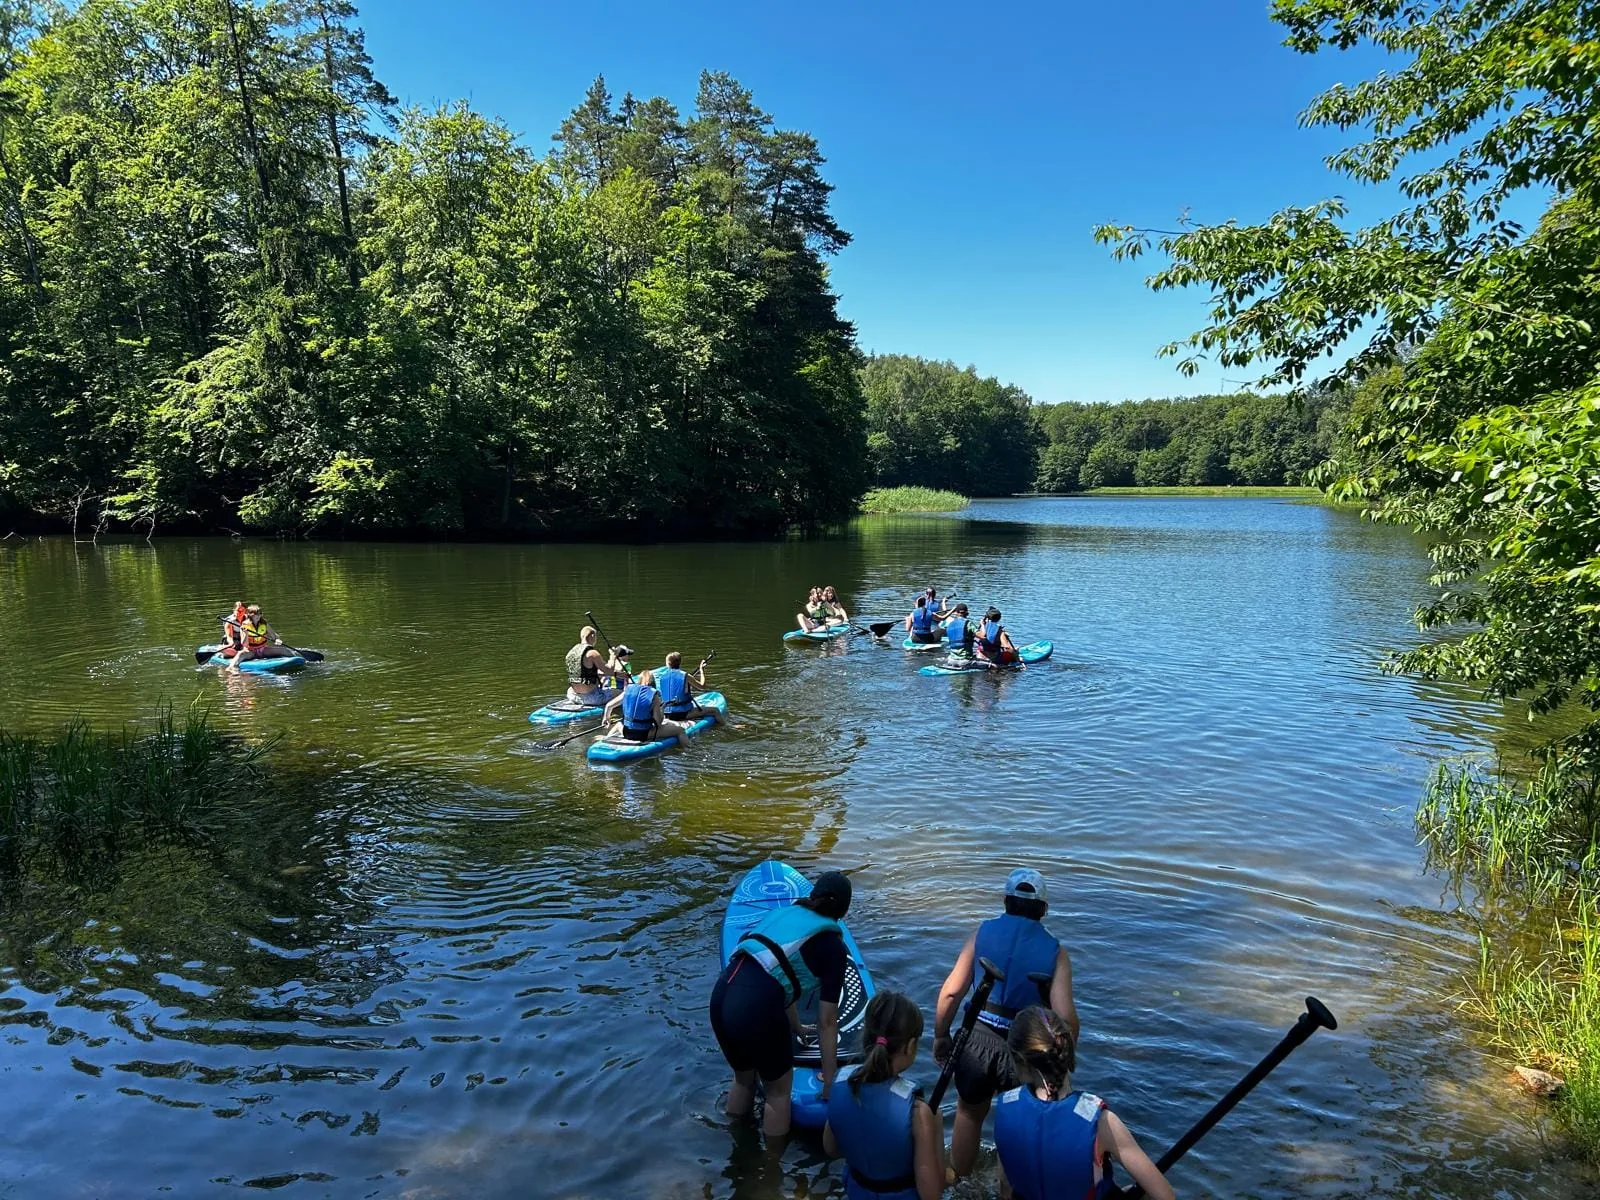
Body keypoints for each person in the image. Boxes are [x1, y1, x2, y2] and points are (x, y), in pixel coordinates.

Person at [933, 868, 1078, 1179]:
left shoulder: (981, 935)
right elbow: (1065, 1018)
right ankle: (1008, 1189)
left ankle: (959, 1179)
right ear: (1044, 910)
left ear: (1005, 902)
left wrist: (941, 1035)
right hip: (1027, 1046)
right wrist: (1064, 1063)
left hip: (976, 1040)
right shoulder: (1055, 952)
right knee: (1018, 1122)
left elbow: (951, 993)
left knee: (969, 1113)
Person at [710, 870, 853, 1138]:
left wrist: (796, 1026)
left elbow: (776, 973)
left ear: (814, 896)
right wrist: (830, 1080)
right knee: (777, 1095)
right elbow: (827, 1020)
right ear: (843, 911)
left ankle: (735, 1145)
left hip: (722, 995)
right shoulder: (832, 947)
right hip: (756, 1008)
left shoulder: (784, 915)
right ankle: (771, 1171)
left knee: (743, 1080)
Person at [995, 1006, 1175, 1200]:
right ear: (1068, 1048)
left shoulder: (1005, 1106)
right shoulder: (1101, 1122)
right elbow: (1165, 1196)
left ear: (1020, 1060)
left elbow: (1005, 1185)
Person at [822, 991, 944, 1200]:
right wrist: (937, 1128)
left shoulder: (841, 1083)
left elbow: (831, 1148)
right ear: (911, 1046)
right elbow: (931, 1193)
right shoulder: (919, 1112)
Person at [602, 670, 689, 748]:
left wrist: (606, 718)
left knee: (618, 724)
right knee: (680, 731)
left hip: (626, 732)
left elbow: (609, 706)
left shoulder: (628, 690)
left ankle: (605, 741)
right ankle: (687, 750)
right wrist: (661, 710)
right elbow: (658, 723)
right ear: (653, 682)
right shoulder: (654, 696)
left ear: (639, 681)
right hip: (643, 734)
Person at [565, 625, 629, 707]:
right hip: (592, 698)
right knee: (624, 694)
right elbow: (609, 671)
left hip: (572, 695)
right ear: (592, 636)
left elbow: (585, 673)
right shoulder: (592, 653)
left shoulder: (571, 653)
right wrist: (612, 656)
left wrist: (617, 674)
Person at [657, 651, 720, 725]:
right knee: (715, 711)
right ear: (680, 662)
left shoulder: (662, 678)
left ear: (667, 664)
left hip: (666, 713)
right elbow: (702, 686)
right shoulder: (686, 676)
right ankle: (725, 726)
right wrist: (702, 671)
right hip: (682, 713)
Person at [229, 604, 288, 673]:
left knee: (284, 650)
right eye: (256, 614)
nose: (259, 616)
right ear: (250, 615)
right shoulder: (245, 625)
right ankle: (232, 668)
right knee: (240, 654)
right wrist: (246, 633)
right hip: (251, 651)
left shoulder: (264, 623)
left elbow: (274, 636)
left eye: (260, 614)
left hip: (263, 649)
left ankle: (302, 658)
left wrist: (277, 640)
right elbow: (245, 644)